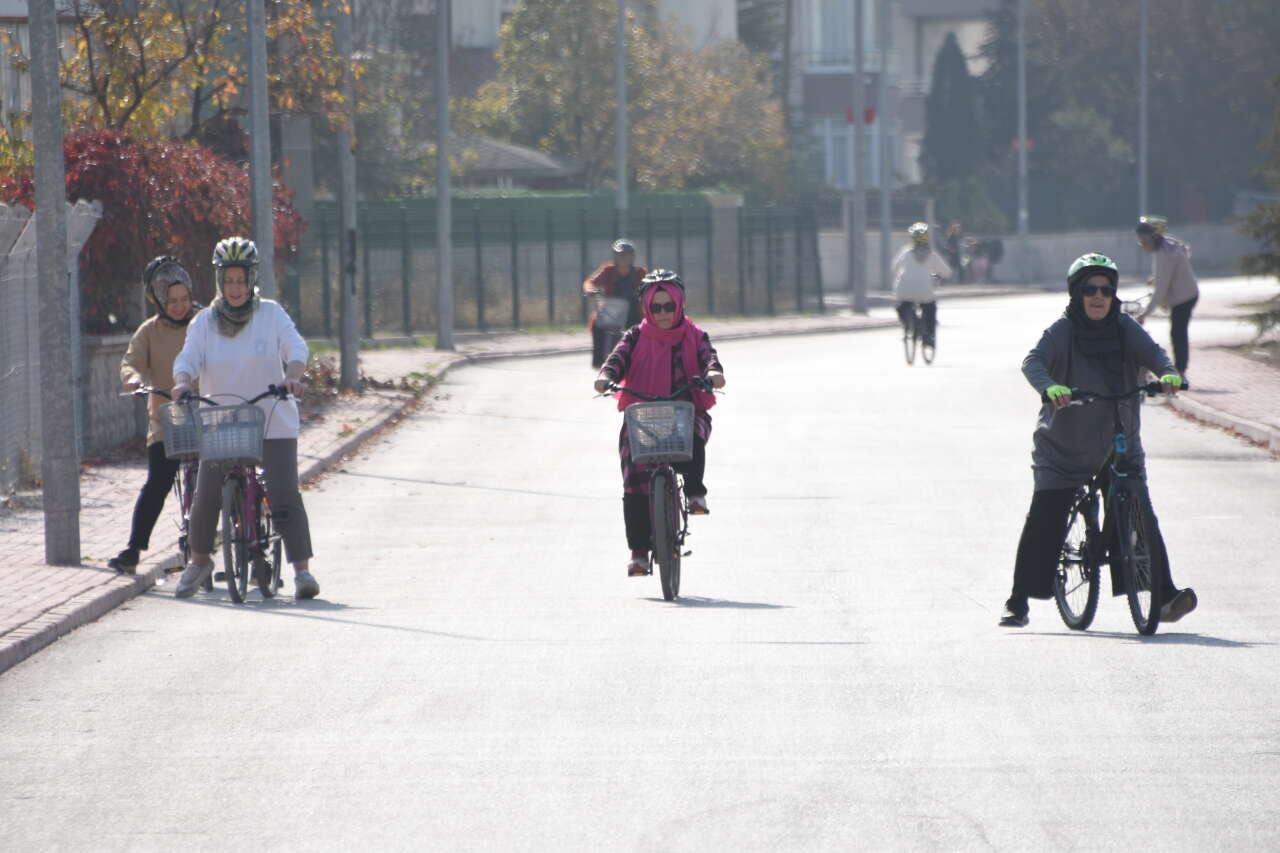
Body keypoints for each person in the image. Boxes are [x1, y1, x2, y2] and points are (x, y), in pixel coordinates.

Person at [999, 252, 1197, 628]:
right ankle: (1018, 601)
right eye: (1089, 289)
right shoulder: (1063, 330)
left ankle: (1164, 596)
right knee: (1046, 517)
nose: (1098, 296)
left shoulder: (1124, 327)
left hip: (1119, 443)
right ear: (1076, 293)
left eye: (1106, 290)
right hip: (1064, 448)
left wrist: (1169, 374)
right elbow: (1033, 362)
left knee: (1140, 513)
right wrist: (1051, 386)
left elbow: (1155, 355)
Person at [170, 237, 319, 600]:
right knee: (206, 494)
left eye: (242, 280)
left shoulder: (271, 313)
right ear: (219, 280)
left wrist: (294, 376)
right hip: (223, 421)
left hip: (271, 417)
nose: (236, 288)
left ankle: (302, 572)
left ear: (251, 279)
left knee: (283, 491)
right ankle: (200, 560)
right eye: (229, 280)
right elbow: (187, 359)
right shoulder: (204, 322)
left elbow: (295, 347)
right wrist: (182, 383)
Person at [592, 270, 725, 577]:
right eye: (656, 307)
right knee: (634, 478)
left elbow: (709, 358)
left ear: (679, 305)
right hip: (644, 416)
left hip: (685, 410)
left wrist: (714, 374)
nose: (663, 313)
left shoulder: (695, 336)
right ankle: (639, 553)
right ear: (646, 309)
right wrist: (605, 377)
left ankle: (694, 492)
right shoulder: (635, 336)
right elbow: (616, 359)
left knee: (694, 431)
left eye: (669, 306)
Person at [108, 256, 198, 573]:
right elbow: (130, 362)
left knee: (228, 473)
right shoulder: (150, 331)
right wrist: (132, 379)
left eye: (184, 298)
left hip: (207, 415)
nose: (179, 306)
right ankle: (134, 549)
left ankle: (241, 540)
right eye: (171, 300)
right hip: (167, 421)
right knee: (158, 482)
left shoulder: (205, 323)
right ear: (158, 300)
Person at [1136, 215, 1200, 378]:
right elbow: (1181, 256)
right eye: (1140, 241)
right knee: (1178, 332)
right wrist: (1155, 278)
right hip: (1188, 292)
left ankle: (1181, 372)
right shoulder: (1167, 245)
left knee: (1178, 333)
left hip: (1184, 296)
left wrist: (1145, 314)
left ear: (1153, 237)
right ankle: (1181, 369)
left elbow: (1160, 292)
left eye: (1144, 241)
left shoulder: (1164, 254)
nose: (1142, 245)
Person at [583, 239, 647, 368]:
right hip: (612, 310)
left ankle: (642, 358)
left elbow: (650, 286)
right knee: (597, 324)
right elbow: (590, 282)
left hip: (633, 311)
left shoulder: (640, 273)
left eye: (627, 254)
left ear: (632, 256)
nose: (623, 258)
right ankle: (599, 359)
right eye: (620, 255)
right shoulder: (608, 271)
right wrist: (590, 290)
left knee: (642, 329)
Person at [892, 222, 951, 348]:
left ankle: (910, 324)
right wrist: (938, 277)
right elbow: (946, 272)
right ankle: (928, 337)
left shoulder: (905, 252)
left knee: (902, 306)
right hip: (924, 291)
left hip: (903, 289)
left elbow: (894, 267)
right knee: (930, 308)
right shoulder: (931, 254)